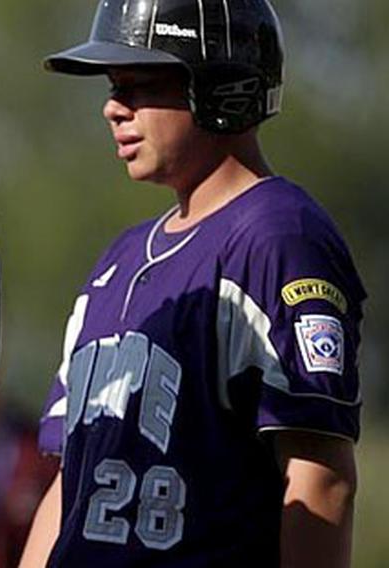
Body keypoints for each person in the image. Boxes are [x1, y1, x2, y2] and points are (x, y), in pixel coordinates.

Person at [19, 1, 365, 567]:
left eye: (138, 85)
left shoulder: (276, 235)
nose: (112, 108)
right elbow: (70, 484)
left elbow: (318, 476)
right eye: (113, 86)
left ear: (220, 89)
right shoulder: (120, 258)